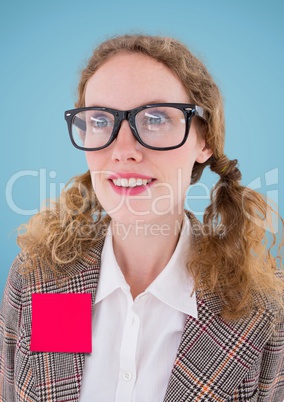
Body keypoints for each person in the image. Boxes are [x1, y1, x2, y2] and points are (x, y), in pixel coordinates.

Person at [0, 34, 283, 402]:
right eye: (101, 120)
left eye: (155, 118)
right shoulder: (39, 277)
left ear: (205, 141)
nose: (123, 151)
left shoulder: (262, 306)